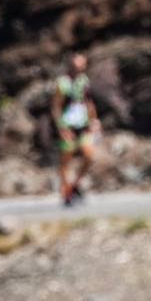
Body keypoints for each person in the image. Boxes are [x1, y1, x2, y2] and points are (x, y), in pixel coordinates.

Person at [50, 52, 101, 206]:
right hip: (68, 125)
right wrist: (61, 128)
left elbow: (88, 102)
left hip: (82, 124)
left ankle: (74, 185)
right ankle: (66, 192)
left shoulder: (83, 80)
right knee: (66, 160)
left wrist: (94, 120)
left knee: (89, 155)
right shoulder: (62, 83)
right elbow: (56, 106)